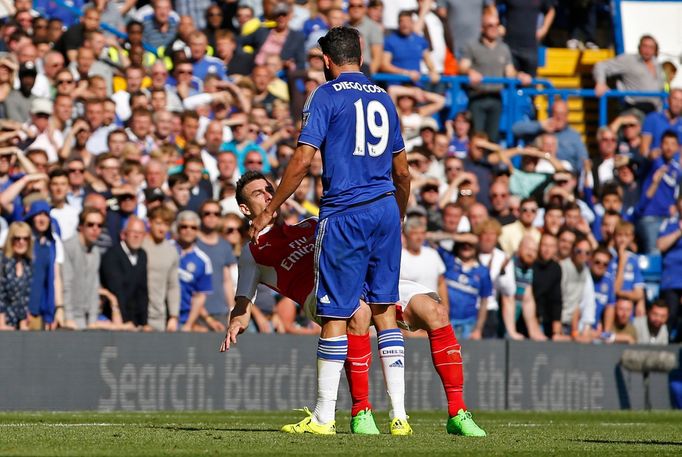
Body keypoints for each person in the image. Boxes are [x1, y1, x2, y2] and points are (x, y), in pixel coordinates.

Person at [220, 171, 485, 437]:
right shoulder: (252, 252)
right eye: (258, 194)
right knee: (359, 311)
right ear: (244, 208)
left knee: (435, 311)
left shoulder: (312, 223)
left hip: (363, 281)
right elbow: (243, 302)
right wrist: (236, 323)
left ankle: (457, 412)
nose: (268, 196)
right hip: (320, 294)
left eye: (270, 189)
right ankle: (361, 412)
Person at [245, 27, 412, 435]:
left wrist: (270, 209)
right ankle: (400, 418)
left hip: (346, 213)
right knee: (384, 310)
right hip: (385, 210)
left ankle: (323, 416)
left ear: (326, 60)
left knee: (335, 312)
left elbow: (303, 159)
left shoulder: (325, 95)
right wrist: (398, 214)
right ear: (360, 55)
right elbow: (403, 170)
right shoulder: (385, 99)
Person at [459, 7, 531, 142]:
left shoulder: (503, 48)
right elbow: (463, 65)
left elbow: (510, 72)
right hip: (477, 96)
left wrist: (520, 75)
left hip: (496, 97)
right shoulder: (472, 46)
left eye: (497, 25)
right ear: (482, 28)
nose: (494, 28)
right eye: (490, 25)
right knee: (477, 135)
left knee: (493, 137)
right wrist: (470, 71)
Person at [593, 35, 665, 113]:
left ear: (655, 50)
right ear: (639, 47)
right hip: (636, 108)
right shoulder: (629, 60)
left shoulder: (657, 64)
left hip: (656, 110)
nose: (647, 50)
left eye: (651, 47)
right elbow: (601, 66)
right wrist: (600, 82)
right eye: (645, 46)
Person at [100, 216, 148, 328]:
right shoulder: (112, 256)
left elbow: (142, 292)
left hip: (134, 322)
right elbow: (117, 290)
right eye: (133, 232)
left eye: (140, 233)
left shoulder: (142, 255)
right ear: (123, 234)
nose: (137, 236)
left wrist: (143, 323)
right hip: (115, 319)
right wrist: (126, 323)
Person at [196, 199, 236, 329]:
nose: (212, 217)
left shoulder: (225, 245)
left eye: (216, 214)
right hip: (196, 312)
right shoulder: (192, 243)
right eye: (207, 213)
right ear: (201, 216)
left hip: (221, 311)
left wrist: (231, 309)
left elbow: (227, 281)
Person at [61, 207, 104, 329]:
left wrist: (93, 320)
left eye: (99, 225)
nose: (95, 229)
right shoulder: (69, 247)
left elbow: (94, 287)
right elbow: (66, 284)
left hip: (86, 319)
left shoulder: (96, 251)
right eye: (90, 225)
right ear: (81, 226)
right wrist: (68, 318)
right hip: (69, 318)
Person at [142, 205, 181, 332]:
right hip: (139, 315)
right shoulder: (140, 246)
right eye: (158, 223)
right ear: (150, 223)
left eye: (166, 224)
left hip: (159, 317)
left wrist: (174, 316)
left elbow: (173, 285)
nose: (162, 228)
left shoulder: (171, 251)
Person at [174, 210, 213, 331]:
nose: (188, 230)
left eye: (193, 227)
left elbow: (200, 297)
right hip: (160, 316)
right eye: (184, 226)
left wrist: (189, 324)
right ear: (177, 228)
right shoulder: (166, 249)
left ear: (198, 230)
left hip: (183, 319)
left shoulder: (203, 261)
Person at [0, 221, 33, 330]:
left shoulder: (28, 263)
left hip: (20, 324)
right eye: (17, 238)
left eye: (25, 238)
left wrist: (24, 320)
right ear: (10, 240)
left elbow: (26, 296)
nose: (21, 242)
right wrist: (1, 323)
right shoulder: (2, 261)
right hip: (4, 323)